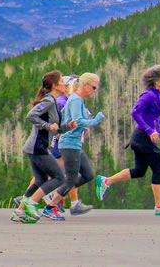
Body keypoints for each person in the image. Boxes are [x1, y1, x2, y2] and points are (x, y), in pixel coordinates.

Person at [96, 65, 160, 215]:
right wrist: (149, 131)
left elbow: (152, 118)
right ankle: (159, 206)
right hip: (143, 137)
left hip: (142, 138)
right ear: (156, 81)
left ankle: (106, 181)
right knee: (158, 167)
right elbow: (135, 112)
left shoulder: (159, 95)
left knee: (139, 171)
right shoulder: (149, 95)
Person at [11, 70, 76, 223]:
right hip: (37, 147)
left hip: (36, 147)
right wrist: (47, 126)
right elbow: (31, 115)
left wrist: (68, 127)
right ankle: (32, 203)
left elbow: (56, 127)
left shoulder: (52, 102)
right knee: (59, 177)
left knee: (40, 179)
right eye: (61, 82)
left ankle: (20, 212)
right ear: (54, 85)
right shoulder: (49, 101)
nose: (64, 85)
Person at [44, 73, 105, 216]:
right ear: (85, 85)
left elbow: (65, 116)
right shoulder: (76, 100)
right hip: (70, 144)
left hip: (75, 144)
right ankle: (51, 206)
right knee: (70, 179)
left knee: (88, 175)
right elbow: (78, 121)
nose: (94, 91)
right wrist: (96, 120)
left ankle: (58, 194)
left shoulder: (76, 100)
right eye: (94, 87)